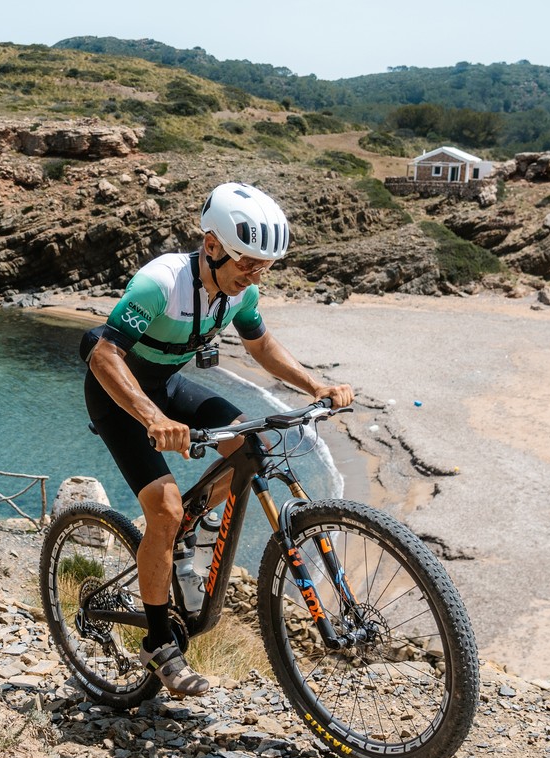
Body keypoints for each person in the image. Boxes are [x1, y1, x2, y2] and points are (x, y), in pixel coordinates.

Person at [83, 182, 353, 697]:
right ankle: (159, 643)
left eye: (264, 267)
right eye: (247, 263)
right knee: (162, 509)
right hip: (117, 395)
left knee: (255, 447)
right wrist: (150, 418)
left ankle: (188, 532)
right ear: (211, 246)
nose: (255, 276)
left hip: (165, 384)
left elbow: (262, 344)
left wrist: (314, 385)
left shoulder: (241, 292)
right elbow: (103, 355)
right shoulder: (158, 284)